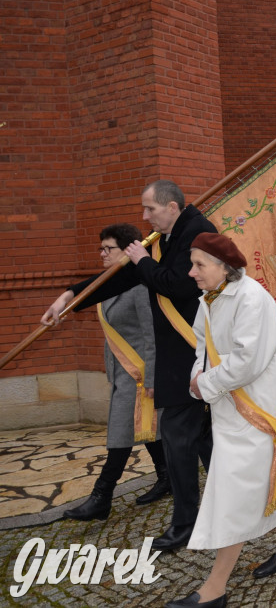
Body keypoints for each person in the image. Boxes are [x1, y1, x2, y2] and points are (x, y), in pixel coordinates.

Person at [42, 180, 215, 552]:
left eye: (149, 208)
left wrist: (142, 261)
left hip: (190, 357)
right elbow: (118, 279)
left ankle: (187, 525)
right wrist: (70, 297)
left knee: (179, 441)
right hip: (179, 361)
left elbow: (179, 287)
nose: (144, 216)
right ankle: (236, 504)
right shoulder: (165, 237)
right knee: (202, 442)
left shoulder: (197, 231)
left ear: (171, 207)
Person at [166, 233, 276, 608]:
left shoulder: (252, 299)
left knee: (235, 492)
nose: (192, 272)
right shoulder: (211, 299)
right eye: (193, 263)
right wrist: (195, 378)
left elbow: (248, 361)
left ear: (223, 266)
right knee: (260, 483)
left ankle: (215, 588)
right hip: (230, 408)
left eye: (199, 264)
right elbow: (203, 345)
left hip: (258, 412)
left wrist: (206, 386)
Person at [62, 224, 169, 521]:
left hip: (138, 375)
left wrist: (151, 380)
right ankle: (167, 476)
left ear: (127, 250)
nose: (101, 254)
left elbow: (152, 335)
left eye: (107, 249)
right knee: (145, 427)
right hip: (121, 371)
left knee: (120, 435)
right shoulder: (111, 284)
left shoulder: (139, 286)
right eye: (101, 248)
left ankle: (101, 496)